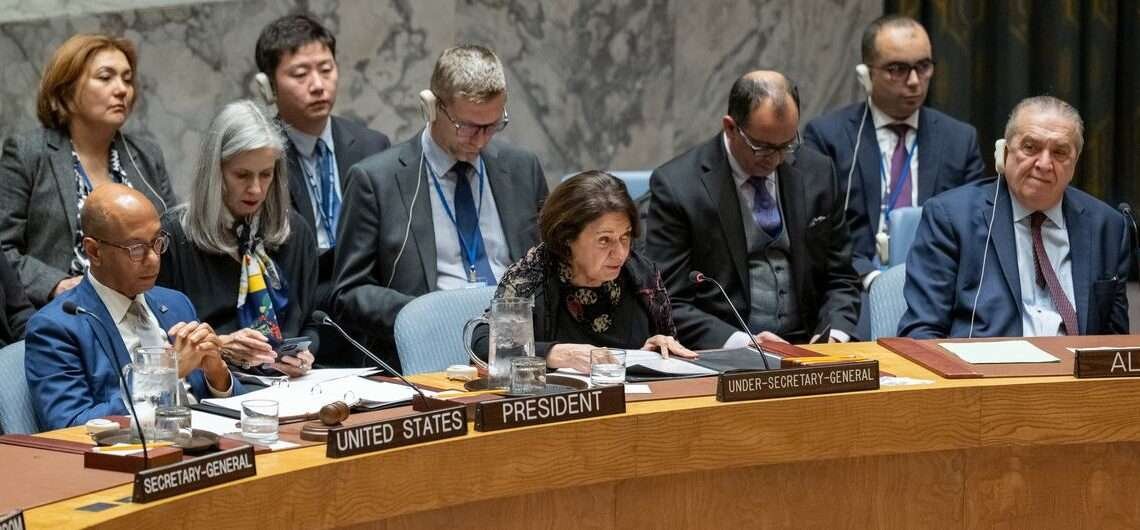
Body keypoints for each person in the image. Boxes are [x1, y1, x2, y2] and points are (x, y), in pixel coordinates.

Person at [335, 44, 548, 371]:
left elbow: (547, 267)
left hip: (519, 352)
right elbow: (348, 294)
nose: (480, 140)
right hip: (429, 354)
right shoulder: (376, 180)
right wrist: (427, 314)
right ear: (431, 108)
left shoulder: (521, 169)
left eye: (492, 125)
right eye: (468, 127)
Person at [647, 71, 861, 349]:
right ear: (730, 127)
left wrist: (835, 333)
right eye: (762, 147)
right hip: (727, 353)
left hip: (810, 346)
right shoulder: (678, 187)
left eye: (786, 145)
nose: (776, 159)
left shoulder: (818, 172)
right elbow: (669, 300)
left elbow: (841, 276)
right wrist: (741, 343)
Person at [898, 96, 1129, 338]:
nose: (1044, 163)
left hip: (1075, 372)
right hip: (990, 371)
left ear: (1074, 164)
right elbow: (921, 333)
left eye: (1060, 152)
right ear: (1005, 153)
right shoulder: (951, 218)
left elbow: (1115, 345)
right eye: (1030, 147)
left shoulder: (1107, 227)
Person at [25, 184, 243, 430]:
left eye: (157, 242)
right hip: (133, 459)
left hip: (209, 443)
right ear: (94, 251)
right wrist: (164, 375)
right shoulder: (56, 327)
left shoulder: (175, 304)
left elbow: (227, 406)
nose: (153, 259)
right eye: (136, 249)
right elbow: (69, 425)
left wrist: (218, 375)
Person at [803, 15, 985, 288]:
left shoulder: (959, 140)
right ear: (866, 75)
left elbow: (974, 227)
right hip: (855, 285)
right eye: (897, 69)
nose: (914, 81)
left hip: (939, 284)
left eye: (923, 66)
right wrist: (869, 277)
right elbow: (818, 229)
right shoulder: (827, 136)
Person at [0, 34, 177, 308]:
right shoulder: (28, 153)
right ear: (66, 92)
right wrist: (55, 284)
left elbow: (171, 238)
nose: (122, 90)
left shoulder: (145, 155)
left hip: (142, 308)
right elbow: (4, 248)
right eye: (106, 77)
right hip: (63, 312)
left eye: (127, 79)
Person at [471, 171, 695, 372]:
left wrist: (656, 350)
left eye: (625, 237)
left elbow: (665, 349)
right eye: (604, 240)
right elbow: (484, 346)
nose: (620, 254)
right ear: (567, 237)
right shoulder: (533, 275)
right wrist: (555, 354)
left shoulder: (641, 275)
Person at [157, 100, 318, 378]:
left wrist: (305, 353)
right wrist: (220, 345)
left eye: (265, 174)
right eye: (242, 175)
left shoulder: (295, 231)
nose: (255, 189)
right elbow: (158, 341)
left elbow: (313, 321)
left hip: (290, 385)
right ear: (215, 173)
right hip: (212, 388)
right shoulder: (174, 236)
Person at [254, 14, 391, 310]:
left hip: (365, 300)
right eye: (300, 74)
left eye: (326, 69)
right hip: (298, 304)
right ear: (268, 87)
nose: (318, 85)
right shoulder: (261, 158)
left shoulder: (372, 145)